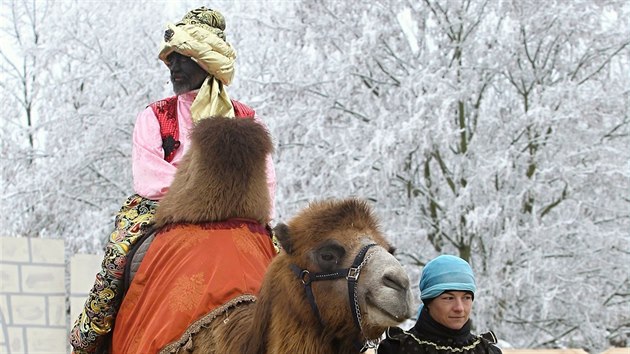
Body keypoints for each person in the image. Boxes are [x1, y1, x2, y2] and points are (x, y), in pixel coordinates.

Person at [69, 7, 276, 354]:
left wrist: (228, 202)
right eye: (171, 59)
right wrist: (210, 195)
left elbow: (266, 181)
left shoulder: (247, 119)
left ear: (207, 61)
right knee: (118, 256)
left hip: (239, 213)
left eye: (183, 58)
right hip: (162, 207)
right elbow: (149, 177)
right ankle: (93, 335)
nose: (174, 67)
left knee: (291, 266)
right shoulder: (155, 115)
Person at [377, 255, 502, 354]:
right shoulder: (397, 349)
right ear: (428, 302)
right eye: (448, 298)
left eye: (466, 298)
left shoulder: (487, 351)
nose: (459, 308)